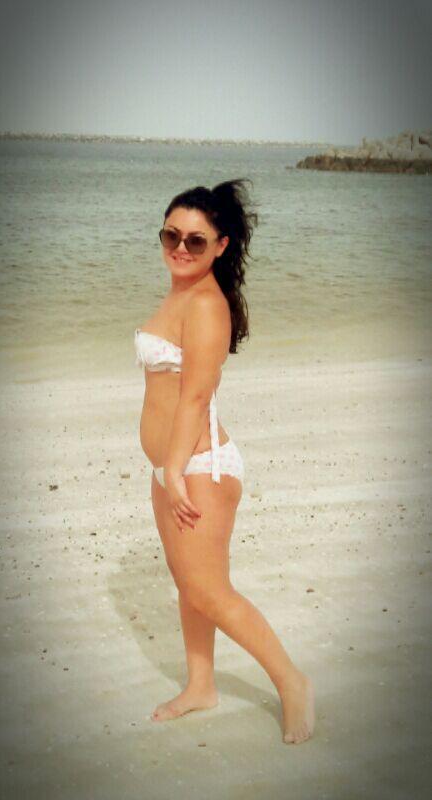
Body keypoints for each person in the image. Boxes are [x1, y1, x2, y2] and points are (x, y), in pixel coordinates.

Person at [134, 178, 315, 745]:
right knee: (189, 586)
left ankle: (292, 684)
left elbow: (194, 397)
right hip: (173, 466)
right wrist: (164, 469)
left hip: (199, 467)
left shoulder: (208, 306)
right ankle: (201, 686)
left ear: (220, 245)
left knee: (210, 591)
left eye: (195, 240)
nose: (180, 248)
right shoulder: (179, 294)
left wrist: (174, 470)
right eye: (171, 235)